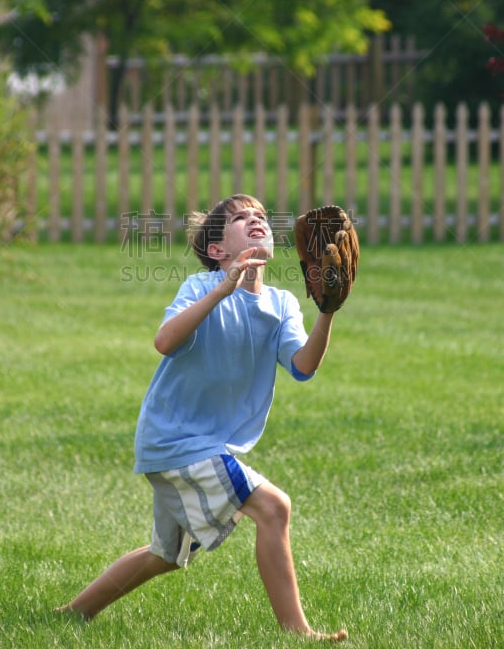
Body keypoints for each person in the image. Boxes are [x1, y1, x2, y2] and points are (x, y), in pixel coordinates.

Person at [56, 194, 348, 642]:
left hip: (191, 446)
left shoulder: (283, 303)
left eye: (262, 216)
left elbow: (303, 366)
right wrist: (221, 289)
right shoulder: (200, 286)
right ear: (217, 251)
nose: (256, 220)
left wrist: (326, 311)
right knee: (274, 508)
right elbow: (164, 342)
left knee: (166, 556)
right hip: (179, 441)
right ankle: (298, 633)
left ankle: (73, 613)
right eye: (240, 218)